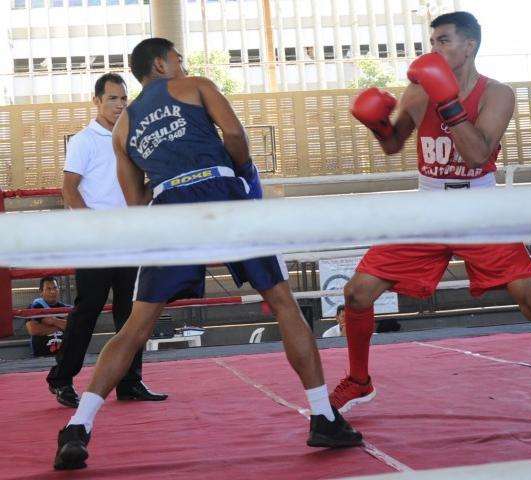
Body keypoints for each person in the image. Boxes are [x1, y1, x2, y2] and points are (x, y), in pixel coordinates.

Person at [53, 38, 362, 471]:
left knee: (136, 324)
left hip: (169, 205)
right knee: (281, 302)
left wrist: (172, 179)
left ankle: (79, 425)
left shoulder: (123, 129)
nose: (183, 63)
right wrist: (239, 174)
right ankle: (322, 416)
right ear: (160, 63)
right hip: (223, 194)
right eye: (177, 57)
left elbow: (135, 199)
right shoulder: (195, 86)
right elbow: (235, 135)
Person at [330, 11, 531, 435]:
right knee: (357, 293)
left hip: (481, 207)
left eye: (444, 41)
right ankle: (359, 380)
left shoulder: (498, 94)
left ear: (469, 46)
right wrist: (377, 123)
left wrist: (447, 101)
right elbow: (394, 145)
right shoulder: (417, 92)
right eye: (432, 42)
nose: (434, 49)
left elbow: (476, 154)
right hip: (429, 205)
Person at [46, 73, 167, 409]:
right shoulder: (84, 141)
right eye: (112, 98)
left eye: (123, 98)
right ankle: (61, 379)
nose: (119, 105)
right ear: (96, 100)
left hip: (130, 238)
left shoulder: (131, 138)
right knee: (88, 309)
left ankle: (130, 382)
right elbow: (69, 189)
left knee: (132, 314)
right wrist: (91, 229)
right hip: (96, 242)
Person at [25, 276, 67, 357]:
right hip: (41, 357)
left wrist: (53, 321)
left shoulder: (66, 308)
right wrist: (61, 325)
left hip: (64, 356)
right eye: (48, 289)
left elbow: (74, 325)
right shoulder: (33, 307)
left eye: (55, 288)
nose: (53, 291)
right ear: (41, 291)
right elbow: (33, 329)